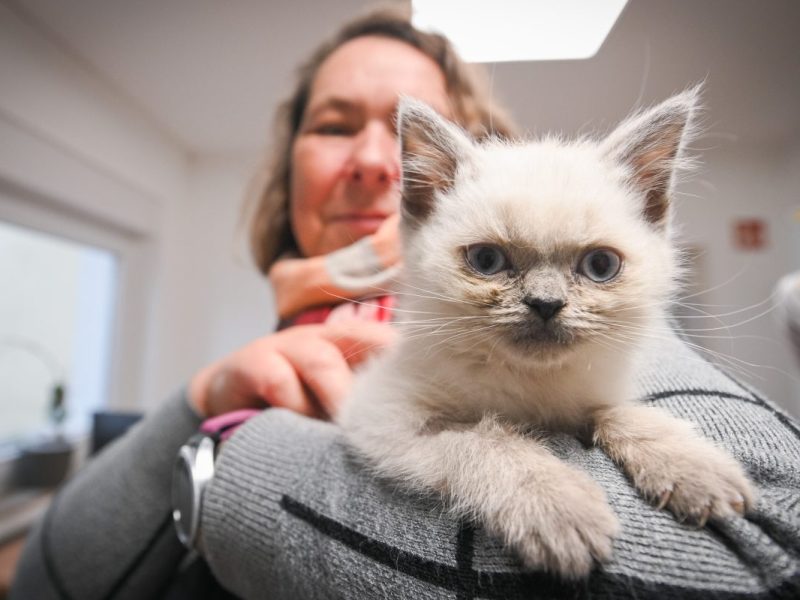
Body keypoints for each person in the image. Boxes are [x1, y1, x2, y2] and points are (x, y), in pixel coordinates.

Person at [10, 7, 800, 600]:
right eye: (333, 124)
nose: (374, 162)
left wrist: (234, 465)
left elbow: (765, 556)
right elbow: (47, 580)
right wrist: (199, 404)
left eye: (403, 141)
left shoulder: (600, 345)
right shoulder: (270, 352)